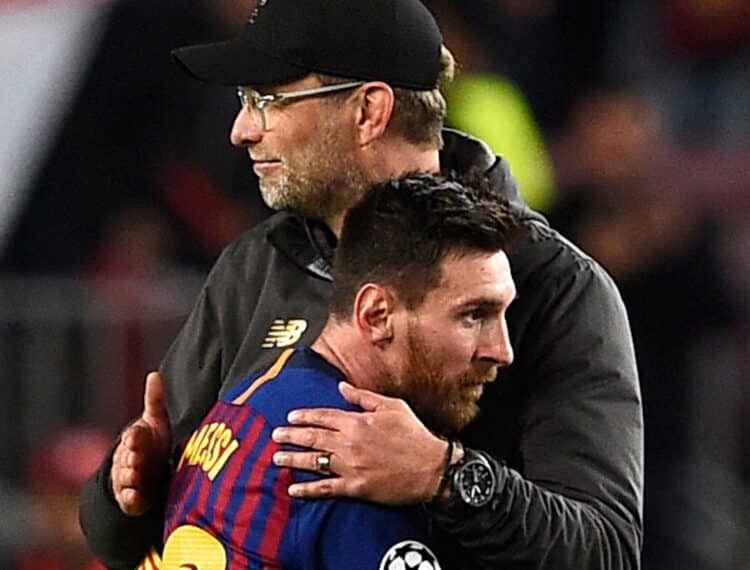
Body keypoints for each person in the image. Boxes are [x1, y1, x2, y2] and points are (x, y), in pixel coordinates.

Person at [79, 0, 644, 568]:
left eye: (266, 100)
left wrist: (444, 477)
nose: (242, 130)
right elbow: (126, 531)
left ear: (369, 111)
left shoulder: (556, 286)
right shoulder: (256, 265)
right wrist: (126, 490)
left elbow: (606, 550)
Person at [156, 173, 518, 568]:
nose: (502, 351)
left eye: (502, 314)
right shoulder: (351, 463)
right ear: (376, 315)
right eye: (474, 315)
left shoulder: (251, 397)